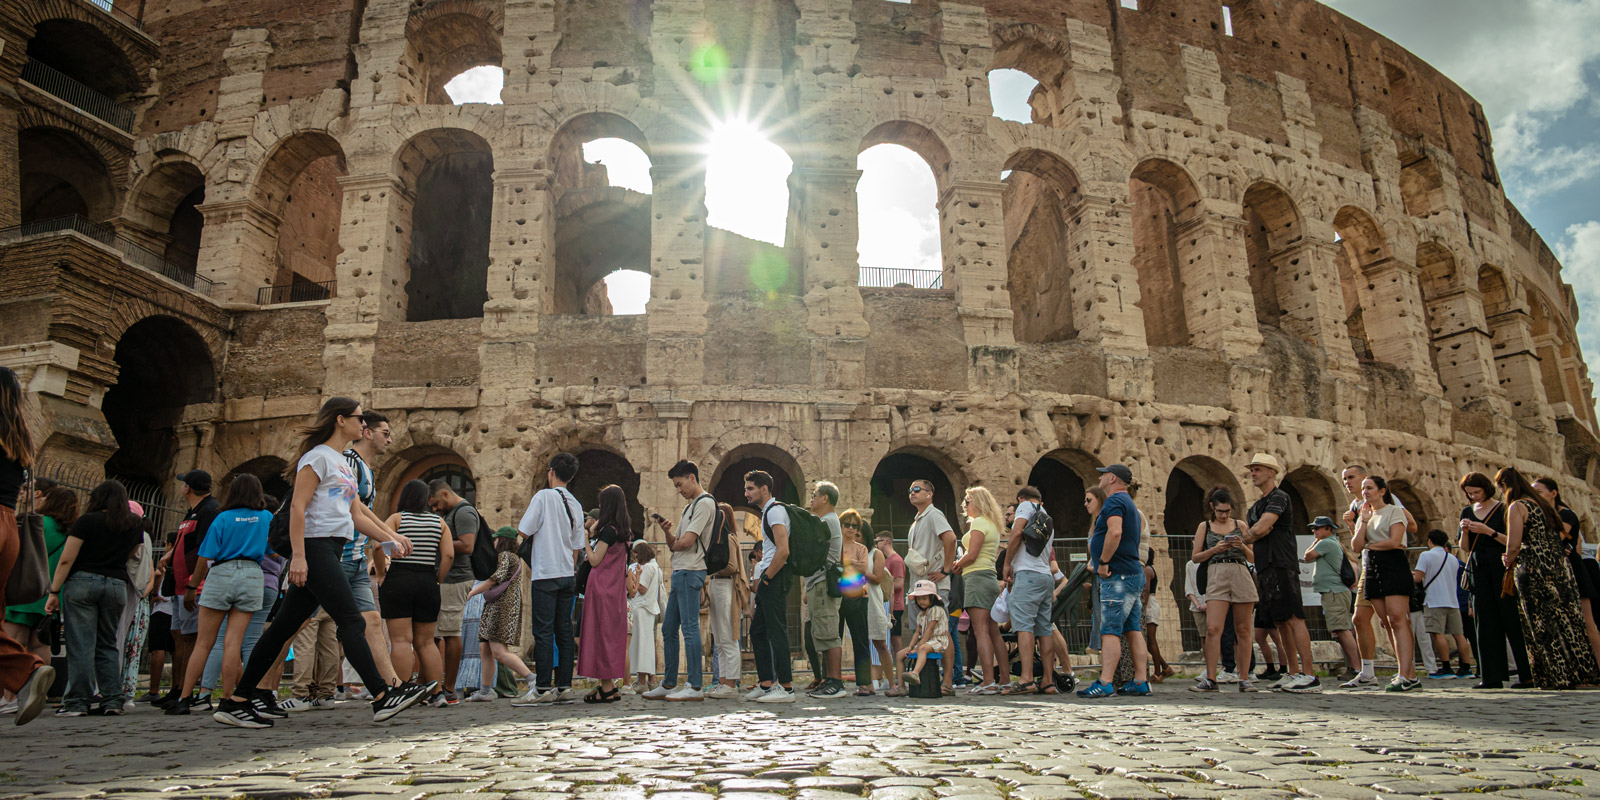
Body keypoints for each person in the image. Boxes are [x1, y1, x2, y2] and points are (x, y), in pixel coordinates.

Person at [226, 397, 431, 726]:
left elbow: (353, 514)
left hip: (332, 547)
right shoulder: (316, 458)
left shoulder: (341, 464)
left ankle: (236, 700)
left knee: (282, 629)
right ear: (340, 420)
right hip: (315, 547)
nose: (363, 425)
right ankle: (382, 696)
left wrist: (387, 539)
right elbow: (298, 507)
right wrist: (299, 557)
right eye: (358, 418)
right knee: (353, 622)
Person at [163, 475, 273, 724]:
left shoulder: (222, 517)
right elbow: (274, 549)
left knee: (205, 642)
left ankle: (184, 698)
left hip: (222, 574)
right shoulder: (266, 518)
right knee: (234, 642)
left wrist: (192, 587)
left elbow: (205, 556)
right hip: (251, 575)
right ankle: (228, 699)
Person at [43, 479, 144, 716]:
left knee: (81, 644)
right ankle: (112, 699)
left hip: (83, 582)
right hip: (117, 584)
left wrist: (54, 591)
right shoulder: (134, 523)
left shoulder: (87, 521)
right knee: (108, 643)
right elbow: (133, 552)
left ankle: (77, 701)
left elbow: (67, 558)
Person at [1499, 467, 1600, 689]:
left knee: (1541, 624)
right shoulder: (1544, 506)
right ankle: (1585, 675)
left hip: (1534, 569)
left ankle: (1556, 676)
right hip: (1560, 569)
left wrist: (1509, 559)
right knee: (1570, 622)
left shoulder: (1519, 506)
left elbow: (1514, 544)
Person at [1237, 454, 1318, 692]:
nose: (1253, 473)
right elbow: (1254, 531)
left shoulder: (1279, 497)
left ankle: (1310, 674)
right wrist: (1256, 532)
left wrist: (1257, 531)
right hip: (1264, 565)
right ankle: (1292, 672)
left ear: (1272, 472)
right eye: (1252, 469)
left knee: (1294, 617)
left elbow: (1261, 528)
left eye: (1258, 469)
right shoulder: (1256, 506)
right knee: (1280, 621)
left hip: (1282, 562)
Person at [339, 413, 401, 694]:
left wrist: (390, 536)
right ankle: (259, 687)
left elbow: (365, 511)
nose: (389, 439)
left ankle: (393, 688)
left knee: (373, 621)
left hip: (354, 557)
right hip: (336, 556)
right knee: (294, 625)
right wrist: (389, 536)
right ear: (367, 433)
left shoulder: (367, 469)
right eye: (385, 433)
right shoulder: (350, 462)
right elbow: (353, 511)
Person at [516, 452, 586, 704]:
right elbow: (577, 545)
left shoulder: (543, 496)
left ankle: (543, 688)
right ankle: (565, 685)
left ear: (551, 471)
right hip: (567, 574)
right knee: (564, 631)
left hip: (545, 573)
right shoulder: (576, 504)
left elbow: (524, 529)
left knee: (543, 632)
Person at [1078, 464, 1149, 698]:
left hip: (1117, 575)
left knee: (1109, 629)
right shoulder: (1128, 501)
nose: (1099, 477)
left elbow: (1115, 532)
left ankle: (1105, 682)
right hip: (1131, 573)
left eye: (1103, 474)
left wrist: (1104, 561)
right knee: (1132, 628)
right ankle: (1140, 681)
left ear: (1112, 478)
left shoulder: (1115, 501)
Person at [2, 485, 74, 715]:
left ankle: (10, 696)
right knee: (39, 644)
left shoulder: (40, 523)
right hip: (49, 593)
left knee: (13, 640)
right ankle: (38, 694)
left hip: (26, 590)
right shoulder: (68, 531)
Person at [645, 460, 713, 702]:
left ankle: (695, 685)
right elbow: (677, 542)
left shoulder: (704, 504)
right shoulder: (689, 507)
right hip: (681, 570)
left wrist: (674, 542)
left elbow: (687, 542)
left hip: (690, 570)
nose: (679, 490)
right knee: (668, 627)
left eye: (680, 484)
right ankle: (669, 682)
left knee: (690, 627)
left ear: (692, 478)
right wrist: (667, 532)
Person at [1455, 471, 1530, 689]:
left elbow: (1513, 541)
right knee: (1484, 621)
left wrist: (1488, 531)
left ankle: (1527, 673)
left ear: (1486, 488)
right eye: (1470, 494)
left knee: (1512, 619)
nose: (1474, 497)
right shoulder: (1467, 511)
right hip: (1478, 568)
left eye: (1477, 492)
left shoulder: (1504, 509)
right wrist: (1466, 532)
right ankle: (1491, 676)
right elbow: (1465, 548)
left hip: (1501, 566)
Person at [380, 479, 453, 699]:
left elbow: (377, 545)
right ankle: (437, 691)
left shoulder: (396, 519)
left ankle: (401, 691)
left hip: (399, 579)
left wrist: (382, 573)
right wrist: (437, 579)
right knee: (426, 641)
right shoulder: (439, 522)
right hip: (427, 581)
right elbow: (448, 555)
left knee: (401, 640)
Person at [155, 469, 218, 711]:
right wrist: (171, 553)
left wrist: (193, 584)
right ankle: (177, 688)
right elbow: (186, 540)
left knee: (191, 638)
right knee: (178, 636)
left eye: (183, 484)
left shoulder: (209, 510)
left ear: (188, 488)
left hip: (193, 584)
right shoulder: (193, 511)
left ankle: (187, 690)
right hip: (179, 583)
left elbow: (204, 547)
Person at [1352, 474, 1419, 692]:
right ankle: (1406, 672)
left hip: (1393, 565)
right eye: (1363, 488)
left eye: (1369, 488)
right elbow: (1355, 545)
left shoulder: (1394, 511)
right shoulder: (1364, 515)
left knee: (1398, 619)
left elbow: (1395, 541)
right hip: (1372, 567)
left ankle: (1405, 674)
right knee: (1387, 622)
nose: (1365, 492)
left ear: (1382, 491)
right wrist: (1362, 521)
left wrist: (1369, 545)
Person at [1189, 486, 1257, 692]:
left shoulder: (1240, 525)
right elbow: (1195, 557)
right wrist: (1215, 549)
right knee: (1213, 629)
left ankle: (1244, 678)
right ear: (1212, 507)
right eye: (1220, 511)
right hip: (1216, 572)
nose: (1224, 515)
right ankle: (1211, 678)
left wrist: (1241, 546)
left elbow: (1253, 557)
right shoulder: (1205, 526)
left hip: (1240, 572)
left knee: (1243, 629)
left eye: (1227, 511)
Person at [1533, 478, 1600, 673]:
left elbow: (1555, 539)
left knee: (1587, 623)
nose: (1536, 495)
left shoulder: (1566, 514)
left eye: (1540, 491)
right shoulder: (1542, 514)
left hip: (1572, 571)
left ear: (1553, 493)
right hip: (1553, 571)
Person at [942, 488, 1003, 695]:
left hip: (977, 577)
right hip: (989, 576)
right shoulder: (992, 524)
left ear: (978, 502)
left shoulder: (978, 523)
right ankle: (1002, 678)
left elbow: (973, 553)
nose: (964, 505)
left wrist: (956, 564)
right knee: (993, 631)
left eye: (967, 501)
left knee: (980, 631)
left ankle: (988, 680)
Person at [1002, 485, 1060, 695]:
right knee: (1044, 628)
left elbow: (1017, 533)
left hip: (1027, 575)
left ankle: (1026, 679)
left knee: (1023, 626)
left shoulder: (1025, 506)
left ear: (1020, 499)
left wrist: (1007, 563)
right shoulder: (1045, 514)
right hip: (1045, 576)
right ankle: (1047, 679)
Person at [428, 477, 480, 704]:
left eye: (435, 503)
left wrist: (437, 540)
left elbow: (467, 545)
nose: (434, 508)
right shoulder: (448, 513)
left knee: (450, 631)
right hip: (446, 578)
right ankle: (433, 684)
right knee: (438, 631)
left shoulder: (464, 512)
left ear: (445, 494)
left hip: (456, 578)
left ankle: (449, 688)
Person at [745, 470, 794, 703]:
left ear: (764, 489)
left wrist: (766, 578)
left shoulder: (775, 512)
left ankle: (786, 687)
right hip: (769, 576)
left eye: (750, 488)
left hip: (774, 576)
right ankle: (766, 685)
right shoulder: (767, 513)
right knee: (758, 631)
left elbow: (783, 550)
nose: (746, 493)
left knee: (776, 631)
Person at [904, 479, 956, 694]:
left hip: (935, 585)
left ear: (929, 494)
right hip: (919, 585)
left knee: (941, 633)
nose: (912, 493)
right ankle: (927, 679)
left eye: (917, 489)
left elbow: (951, 539)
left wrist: (945, 569)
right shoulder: (917, 519)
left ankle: (948, 681)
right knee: (921, 631)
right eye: (910, 490)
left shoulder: (934, 515)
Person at [578, 485, 630, 702]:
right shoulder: (623, 531)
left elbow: (595, 559)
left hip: (601, 587)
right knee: (610, 635)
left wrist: (585, 542)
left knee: (599, 636)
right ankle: (608, 686)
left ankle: (606, 687)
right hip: (615, 589)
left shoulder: (608, 531)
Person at [475, 527, 538, 702]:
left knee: (499, 652)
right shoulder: (513, 558)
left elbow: (494, 579)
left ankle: (531, 678)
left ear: (501, 540)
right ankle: (485, 690)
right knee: (485, 648)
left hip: (501, 609)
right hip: (497, 607)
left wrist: (471, 593)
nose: (493, 542)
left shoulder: (505, 557)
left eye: (495, 539)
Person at [801, 481, 846, 699]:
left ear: (825, 498)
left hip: (822, 583)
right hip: (816, 582)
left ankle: (836, 682)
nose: (812, 498)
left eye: (815, 494)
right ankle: (829, 679)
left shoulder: (828, 521)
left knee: (829, 633)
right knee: (822, 632)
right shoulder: (824, 520)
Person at [1304, 516, 1360, 682]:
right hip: (1332, 592)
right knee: (1340, 630)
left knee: (1342, 629)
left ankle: (1356, 668)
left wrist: (1316, 541)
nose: (1314, 531)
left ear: (1328, 529)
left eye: (1318, 528)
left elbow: (1307, 556)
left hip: (1334, 591)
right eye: (1313, 528)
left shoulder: (1326, 543)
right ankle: (1353, 666)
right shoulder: (1330, 542)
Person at [1412, 529, 1473, 679]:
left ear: (1430, 541)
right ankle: (1466, 668)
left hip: (1434, 600)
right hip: (1453, 601)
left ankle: (1446, 667)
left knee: (1437, 634)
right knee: (1459, 635)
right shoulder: (1452, 558)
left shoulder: (1425, 555)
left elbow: (1418, 578)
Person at [706, 501, 748, 699]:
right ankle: (722, 681)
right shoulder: (719, 540)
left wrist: (710, 568)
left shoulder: (729, 539)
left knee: (728, 637)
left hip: (725, 585)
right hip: (716, 584)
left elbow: (731, 566)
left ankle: (731, 683)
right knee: (720, 639)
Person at [897, 580, 951, 686]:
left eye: (924, 598)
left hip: (938, 640)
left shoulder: (936, 609)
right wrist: (911, 646)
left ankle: (915, 673)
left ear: (932, 598)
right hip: (926, 641)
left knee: (922, 649)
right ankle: (901, 686)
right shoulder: (921, 614)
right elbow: (917, 632)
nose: (921, 601)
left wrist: (918, 647)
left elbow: (930, 629)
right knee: (900, 655)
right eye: (918, 599)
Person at [627, 540, 663, 693]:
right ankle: (649, 679)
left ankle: (641, 681)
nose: (635, 560)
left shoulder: (647, 568)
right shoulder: (655, 567)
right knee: (647, 645)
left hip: (642, 608)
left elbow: (641, 589)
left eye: (636, 556)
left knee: (642, 646)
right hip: (648, 609)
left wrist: (634, 576)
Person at [1141, 549, 1173, 682]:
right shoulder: (1146, 569)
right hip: (1148, 603)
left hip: (1149, 605)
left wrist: (1143, 607)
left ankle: (1158, 672)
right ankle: (1165, 667)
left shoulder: (1148, 570)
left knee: (1151, 639)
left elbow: (1146, 590)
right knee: (1147, 641)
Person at [878, 531, 906, 656]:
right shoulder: (887, 560)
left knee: (896, 639)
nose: (876, 544)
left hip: (895, 606)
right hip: (888, 604)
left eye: (877, 541)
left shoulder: (896, 560)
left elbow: (899, 583)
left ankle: (901, 668)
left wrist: (883, 586)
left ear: (885, 542)